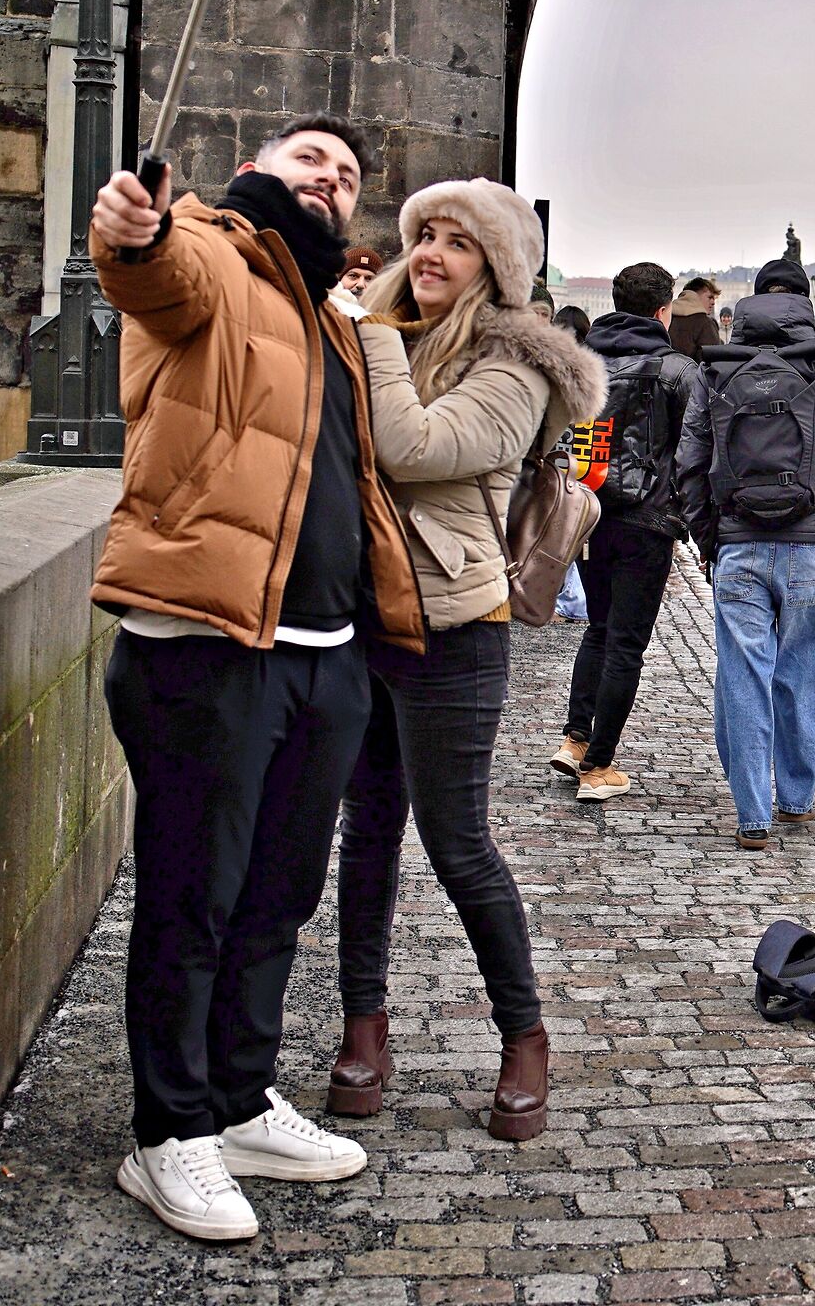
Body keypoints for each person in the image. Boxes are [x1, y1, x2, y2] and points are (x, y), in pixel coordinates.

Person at [85, 113, 423, 1241]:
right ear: (254, 170)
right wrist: (130, 234)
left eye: (348, 172)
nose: (331, 178)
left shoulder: (329, 311)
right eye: (308, 159)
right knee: (194, 896)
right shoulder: (215, 251)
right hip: (207, 644)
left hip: (324, 655)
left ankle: (236, 1099)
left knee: (278, 898)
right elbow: (154, 274)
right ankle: (167, 1131)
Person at [331, 178, 603, 1142]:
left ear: (497, 267)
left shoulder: (516, 365)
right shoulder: (387, 335)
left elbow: (413, 446)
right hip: (356, 612)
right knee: (366, 832)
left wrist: (365, 330)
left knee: (456, 843)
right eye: (425, 234)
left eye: (458, 241)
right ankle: (364, 1031)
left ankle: (523, 1036)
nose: (432, 253)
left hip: (454, 623)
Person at [676, 257, 815, 850]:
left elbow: (689, 463)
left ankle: (752, 814)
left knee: (742, 673)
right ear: (805, 302)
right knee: (803, 671)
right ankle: (796, 798)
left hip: (737, 542)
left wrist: (710, 538)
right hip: (810, 542)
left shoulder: (716, 366)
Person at [549, 262, 701, 799]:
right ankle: (598, 766)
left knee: (599, 627)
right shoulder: (677, 370)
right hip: (647, 519)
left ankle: (575, 740)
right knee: (626, 643)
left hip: (587, 513)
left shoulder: (582, 362)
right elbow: (694, 450)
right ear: (663, 310)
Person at [669, 275, 720, 357]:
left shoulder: (665, 319)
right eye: (710, 297)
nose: (713, 302)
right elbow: (712, 357)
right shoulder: (706, 323)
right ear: (695, 296)